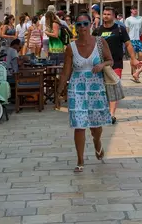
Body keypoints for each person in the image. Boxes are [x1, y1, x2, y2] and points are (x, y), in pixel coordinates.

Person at [59, 13, 113, 172]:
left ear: (91, 25)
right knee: (79, 125)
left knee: (96, 127)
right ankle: (80, 160)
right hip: (77, 88)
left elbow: (111, 60)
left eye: (85, 23)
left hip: (96, 87)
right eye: (79, 24)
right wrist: (59, 91)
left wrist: (102, 65)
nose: (82, 27)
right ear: (75, 27)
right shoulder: (71, 47)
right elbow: (66, 71)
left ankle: (97, 142)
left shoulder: (100, 42)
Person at [94, 6, 142, 123]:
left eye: (108, 14)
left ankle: (111, 114)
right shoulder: (98, 30)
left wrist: (133, 58)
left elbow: (128, 45)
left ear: (114, 16)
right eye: (104, 14)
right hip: (100, 64)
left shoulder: (120, 29)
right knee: (102, 89)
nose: (105, 16)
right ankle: (103, 111)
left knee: (113, 87)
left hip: (116, 63)